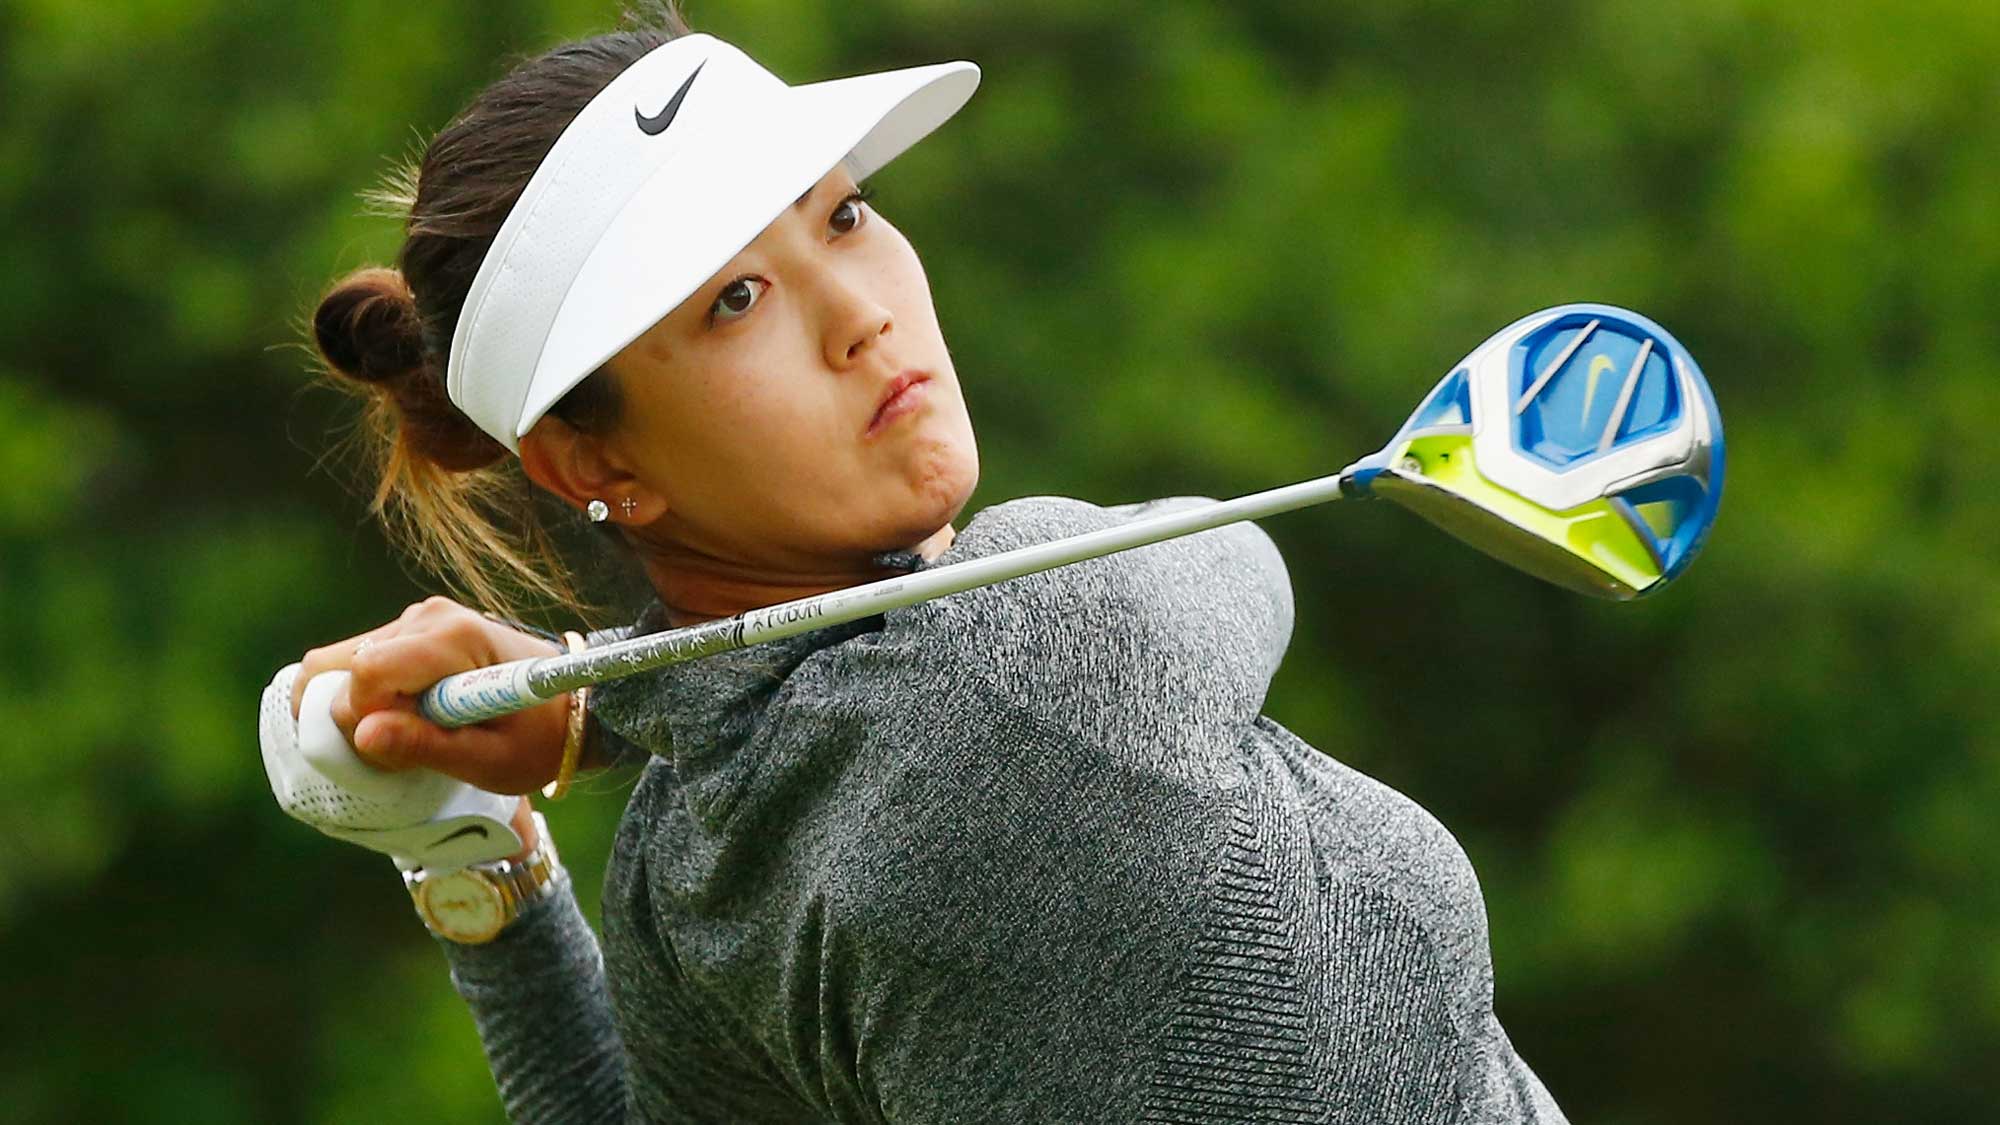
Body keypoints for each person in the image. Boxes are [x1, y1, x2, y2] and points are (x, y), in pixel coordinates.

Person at [269, 4, 1570, 1121]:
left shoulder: (689, 878)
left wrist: (475, 853)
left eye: (843, 214)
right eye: (734, 299)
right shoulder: (1018, 669)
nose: (860, 312)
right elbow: (1234, 553)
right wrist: (594, 708)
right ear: (593, 466)